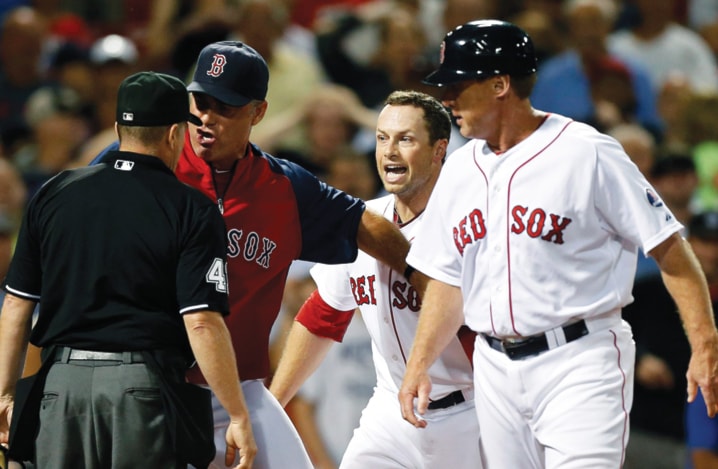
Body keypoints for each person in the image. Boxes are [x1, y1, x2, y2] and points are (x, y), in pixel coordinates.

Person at [398, 19, 718, 469]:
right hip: (493, 368)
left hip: (580, 360)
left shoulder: (587, 152)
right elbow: (451, 279)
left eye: (458, 85)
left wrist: (705, 345)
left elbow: (671, 250)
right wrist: (420, 363)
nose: (446, 98)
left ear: (499, 84)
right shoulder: (459, 166)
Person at [0, 71, 256, 468]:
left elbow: (16, 308)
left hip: (59, 387)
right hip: (139, 390)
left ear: (119, 128)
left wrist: (4, 395)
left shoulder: (54, 192)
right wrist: (237, 413)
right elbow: (202, 322)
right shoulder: (190, 208)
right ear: (174, 134)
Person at [176, 41, 412, 468]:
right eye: (201, 102)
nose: (206, 118)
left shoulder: (284, 188)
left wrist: (425, 281)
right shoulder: (153, 165)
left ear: (257, 113)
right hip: (156, 385)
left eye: (225, 107)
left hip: (240, 390)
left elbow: (365, 224)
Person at [270, 90, 482, 468]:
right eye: (383, 138)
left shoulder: (467, 226)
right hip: (389, 410)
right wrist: (274, 404)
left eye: (406, 139)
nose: (390, 151)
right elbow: (323, 316)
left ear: (439, 151)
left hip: (468, 414)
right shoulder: (364, 220)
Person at [685, 211, 718, 469]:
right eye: (705, 242)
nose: (712, 252)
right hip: (654, 424)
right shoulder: (651, 294)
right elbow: (702, 456)